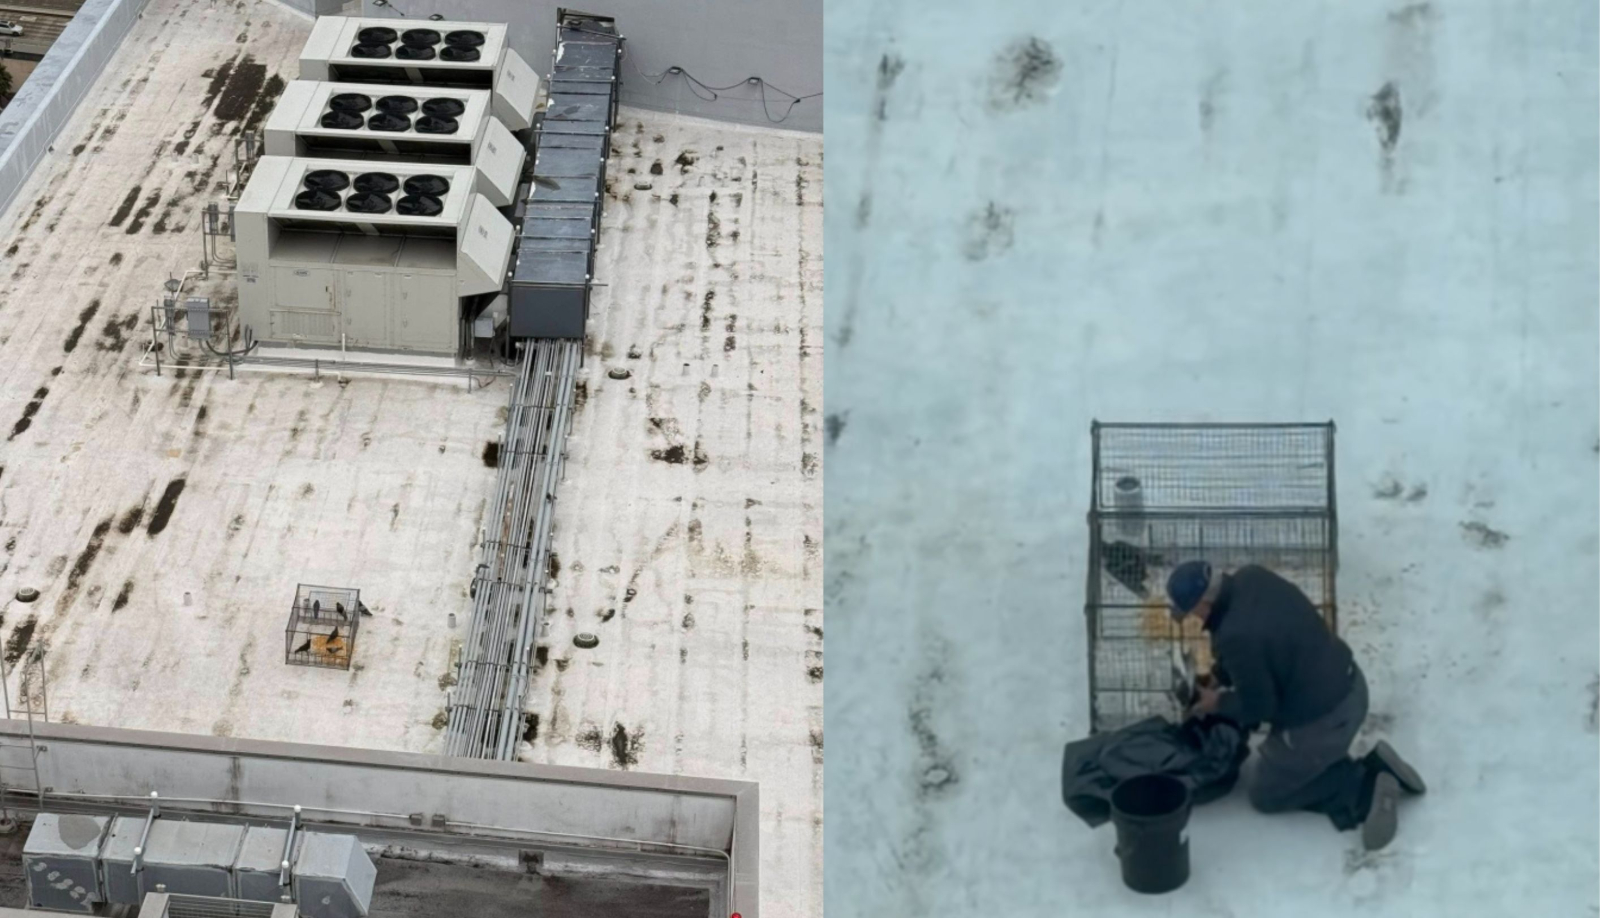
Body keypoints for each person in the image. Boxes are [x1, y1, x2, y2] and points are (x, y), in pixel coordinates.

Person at [1166, 560, 1426, 850]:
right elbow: (1260, 647)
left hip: (1326, 718)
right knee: (1289, 762)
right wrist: (1218, 676)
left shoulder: (1236, 635)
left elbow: (1259, 707)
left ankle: (1365, 784)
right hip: (1350, 686)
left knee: (1267, 794)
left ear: (1204, 601)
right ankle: (1351, 764)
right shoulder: (1252, 578)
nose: (1194, 618)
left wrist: (1217, 703)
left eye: (1191, 612)